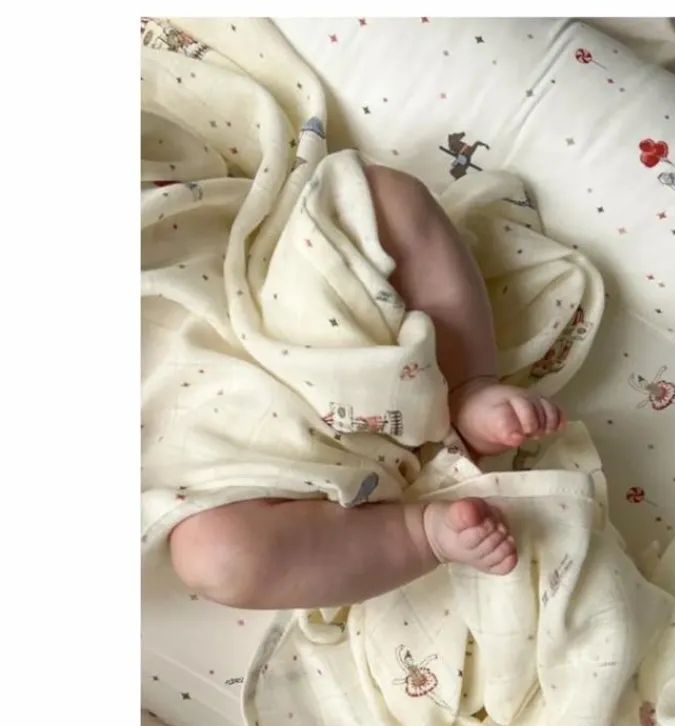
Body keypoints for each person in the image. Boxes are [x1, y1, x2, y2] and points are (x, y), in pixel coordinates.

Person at [169, 166, 565, 611]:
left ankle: (467, 386)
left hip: (268, 314)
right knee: (217, 558)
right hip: (224, 457)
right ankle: (417, 533)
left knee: (377, 195)